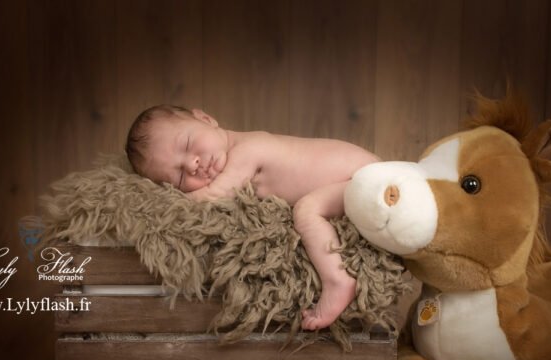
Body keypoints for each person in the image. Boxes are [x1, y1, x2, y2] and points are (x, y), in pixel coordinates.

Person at [125, 105, 379, 330]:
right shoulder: (240, 151)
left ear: (205, 118)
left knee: (306, 211)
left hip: (365, 181)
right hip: (361, 178)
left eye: (187, 144)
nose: (192, 164)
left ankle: (338, 280)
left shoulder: (248, 150)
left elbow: (215, 195)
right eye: (180, 176)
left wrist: (161, 202)